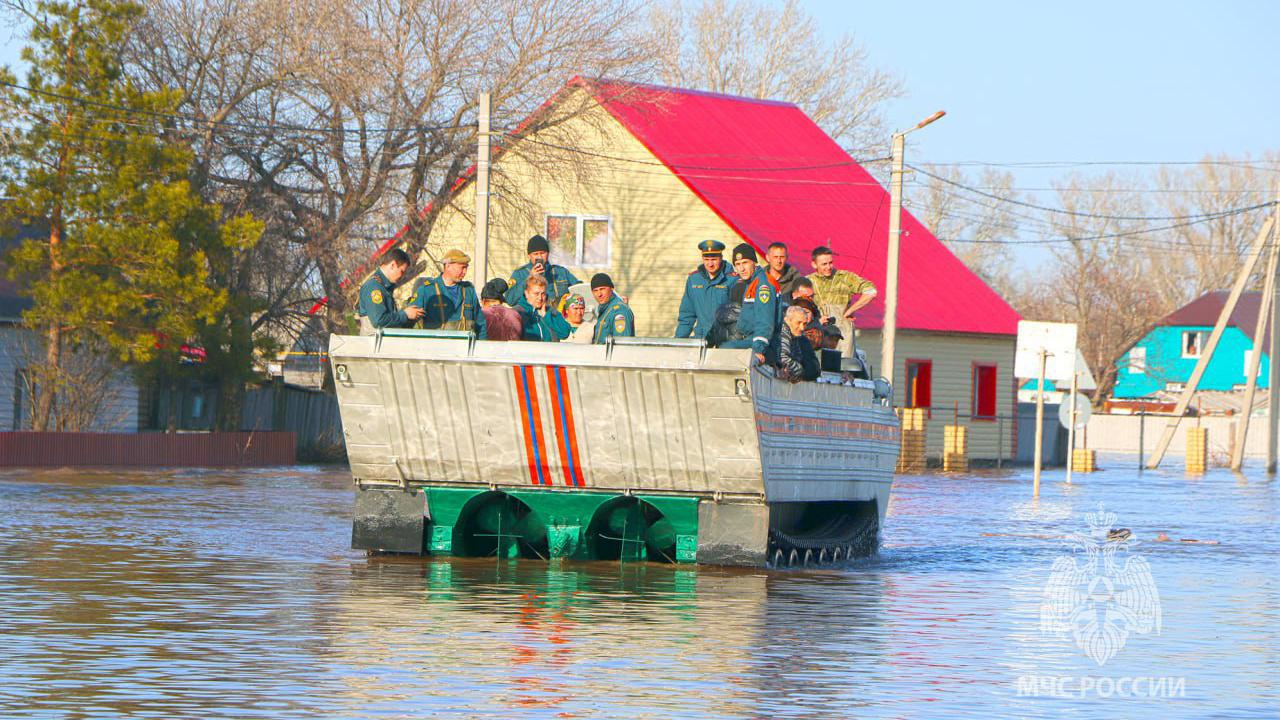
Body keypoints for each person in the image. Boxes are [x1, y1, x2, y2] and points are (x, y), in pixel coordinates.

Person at [807, 245, 877, 358]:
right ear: (814, 264)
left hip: (842, 331)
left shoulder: (845, 278)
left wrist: (850, 310)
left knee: (843, 367)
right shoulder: (808, 281)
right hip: (819, 332)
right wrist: (816, 320)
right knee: (818, 368)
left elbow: (871, 291)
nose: (828, 267)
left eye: (830, 263)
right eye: (824, 264)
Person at [721, 243, 780, 363]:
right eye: (737, 264)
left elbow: (765, 322)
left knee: (725, 350)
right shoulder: (750, 283)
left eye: (745, 263)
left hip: (765, 344)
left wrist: (758, 350)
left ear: (754, 262)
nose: (741, 269)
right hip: (750, 338)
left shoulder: (763, 285)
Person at [408, 249, 486, 338]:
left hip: (463, 350)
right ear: (448, 266)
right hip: (436, 349)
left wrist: (481, 348)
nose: (465, 272)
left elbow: (481, 325)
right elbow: (410, 322)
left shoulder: (468, 291)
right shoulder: (427, 290)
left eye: (466, 268)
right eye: (462, 267)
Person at [675, 239, 737, 340]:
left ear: (721, 258)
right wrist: (679, 339)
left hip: (725, 340)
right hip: (701, 338)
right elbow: (687, 314)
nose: (710, 264)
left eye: (714, 259)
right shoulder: (694, 280)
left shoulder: (732, 279)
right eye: (706, 260)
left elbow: (738, 314)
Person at [357, 248, 424, 334]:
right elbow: (379, 321)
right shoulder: (374, 287)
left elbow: (390, 322)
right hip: (374, 345)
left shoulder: (384, 287)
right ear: (392, 265)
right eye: (402, 271)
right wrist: (405, 314)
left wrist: (410, 317)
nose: (402, 276)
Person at [504, 234, 582, 307]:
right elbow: (510, 300)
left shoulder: (560, 272)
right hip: (532, 318)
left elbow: (580, 290)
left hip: (557, 317)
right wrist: (529, 278)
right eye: (535, 254)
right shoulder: (520, 273)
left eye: (542, 253)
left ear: (548, 253)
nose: (539, 257)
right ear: (529, 255)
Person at [768, 305, 821, 382]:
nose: (802, 328)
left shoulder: (796, 336)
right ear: (788, 320)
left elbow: (798, 358)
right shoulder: (782, 333)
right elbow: (783, 359)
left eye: (805, 324)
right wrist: (800, 371)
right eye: (798, 323)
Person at [516, 274, 571, 342]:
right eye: (536, 294)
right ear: (526, 293)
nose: (540, 298)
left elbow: (565, 333)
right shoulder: (517, 313)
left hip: (551, 351)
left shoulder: (551, 312)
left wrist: (547, 316)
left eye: (543, 294)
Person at [590, 273, 635, 344]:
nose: (599, 294)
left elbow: (622, 346)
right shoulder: (605, 310)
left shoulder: (619, 311)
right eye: (595, 290)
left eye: (602, 289)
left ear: (611, 289)